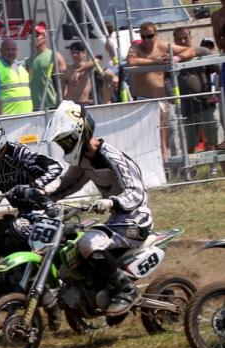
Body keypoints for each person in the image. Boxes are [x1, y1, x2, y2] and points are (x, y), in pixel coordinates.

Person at [43, 101, 152, 316]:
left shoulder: (111, 157)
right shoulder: (83, 160)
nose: (64, 146)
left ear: (80, 133)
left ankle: (126, 289)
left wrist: (112, 202)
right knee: (70, 247)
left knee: (89, 242)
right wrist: (41, 192)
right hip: (116, 221)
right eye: (61, 142)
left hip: (136, 221)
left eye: (66, 141)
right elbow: (67, 184)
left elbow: (137, 192)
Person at [126, 21, 196, 163]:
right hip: (142, 101)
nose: (146, 40)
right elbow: (131, 61)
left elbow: (190, 51)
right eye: (143, 36)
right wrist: (155, 61)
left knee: (169, 135)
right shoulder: (136, 48)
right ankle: (151, 166)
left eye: (149, 36)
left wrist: (176, 58)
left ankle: (173, 166)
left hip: (161, 100)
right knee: (146, 138)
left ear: (156, 34)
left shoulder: (163, 46)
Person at [173, 27, 223, 155]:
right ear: (174, 41)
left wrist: (217, 94)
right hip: (185, 109)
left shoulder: (203, 52)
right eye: (179, 39)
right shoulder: (171, 59)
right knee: (188, 149)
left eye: (185, 38)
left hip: (206, 106)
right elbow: (165, 79)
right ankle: (191, 168)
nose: (182, 41)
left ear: (191, 38)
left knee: (218, 145)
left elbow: (220, 72)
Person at [0, 37, 33, 115]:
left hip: (27, 116)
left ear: (17, 50)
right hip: (8, 118)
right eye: (7, 50)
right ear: (1, 51)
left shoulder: (21, 68)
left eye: (13, 49)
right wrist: (3, 116)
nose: (11, 52)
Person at [26, 24, 67, 111]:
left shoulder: (55, 56)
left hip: (52, 105)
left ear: (44, 37)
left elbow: (65, 81)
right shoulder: (29, 60)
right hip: (34, 107)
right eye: (32, 36)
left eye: (37, 35)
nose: (34, 38)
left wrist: (62, 102)